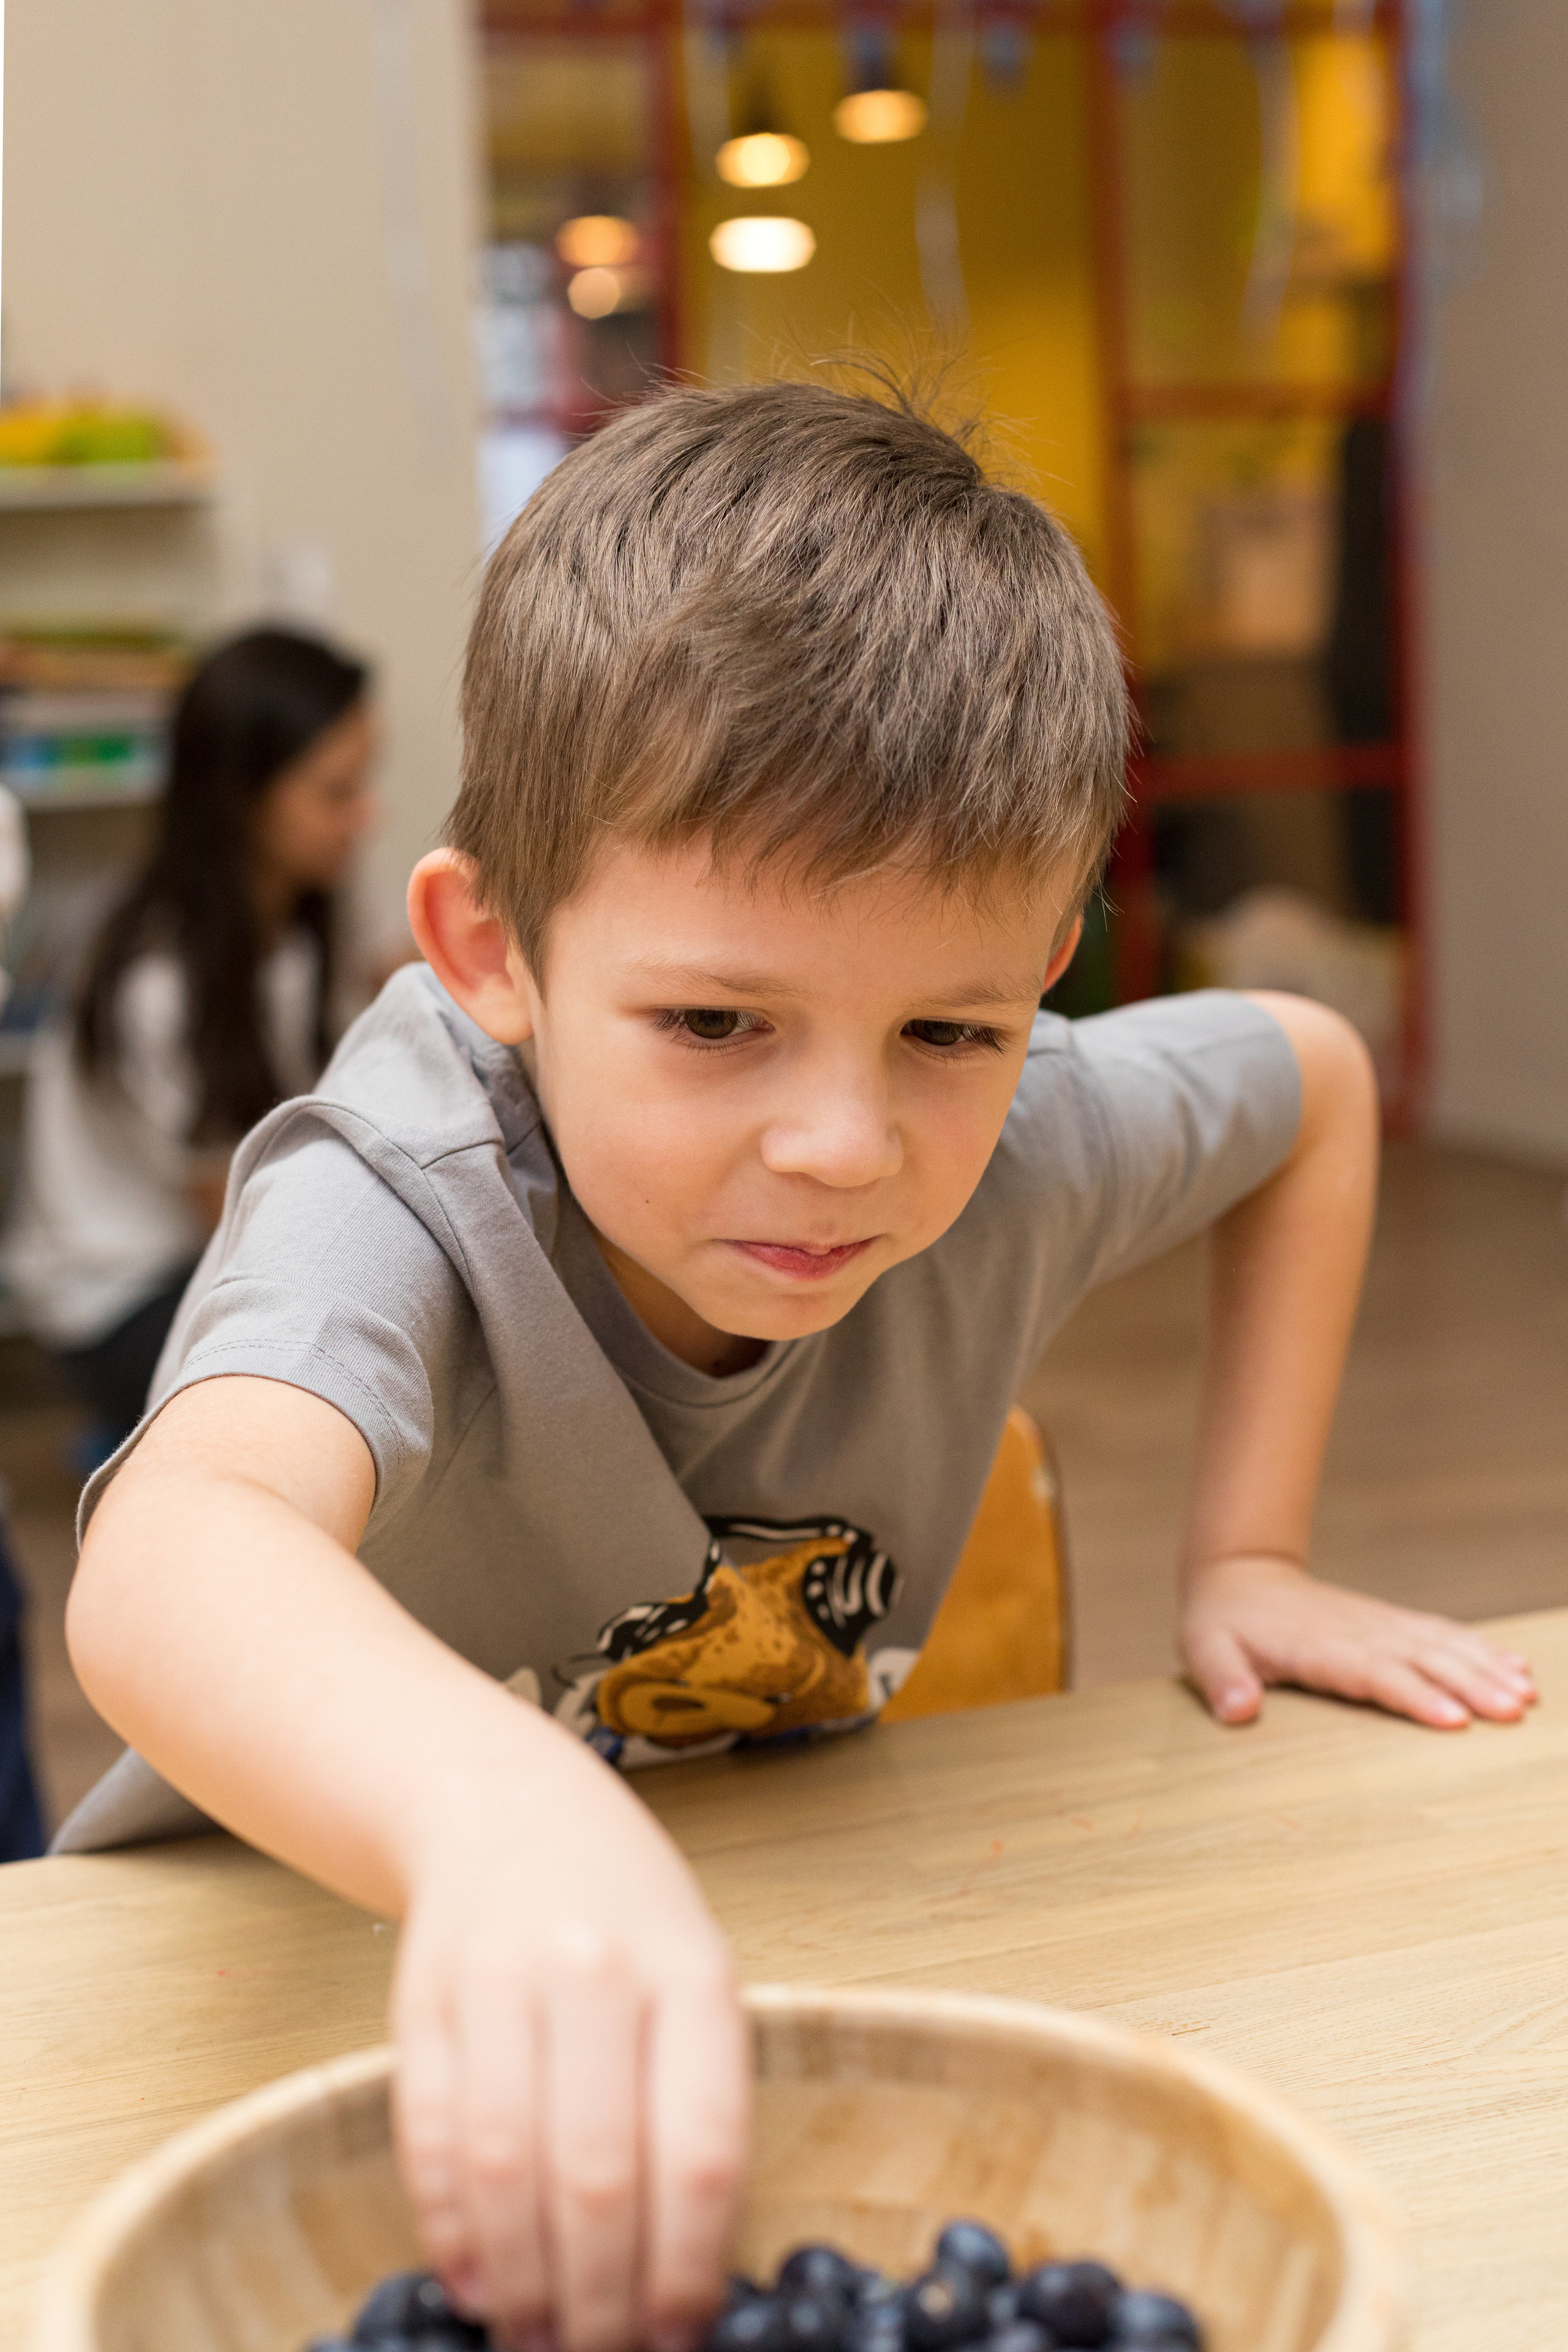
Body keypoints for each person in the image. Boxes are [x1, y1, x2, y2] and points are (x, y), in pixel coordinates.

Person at [56, 385, 1534, 2352]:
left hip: (750, 1992)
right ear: (489, 954)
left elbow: (1319, 1081)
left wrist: (1247, 1553)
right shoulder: (399, 1194)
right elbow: (177, 1552)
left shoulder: (1018, 1132)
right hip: (215, 2035)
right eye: (716, 1021)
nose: (848, 1143)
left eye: (953, 1029)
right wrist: (508, 1823)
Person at [5, 628, 377, 1450]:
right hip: (119, 1296)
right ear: (243, 797)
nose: (366, 815)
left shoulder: (291, 919)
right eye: (336, 792)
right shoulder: (161, 976)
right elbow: (242, 1213)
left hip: (204, 1240)